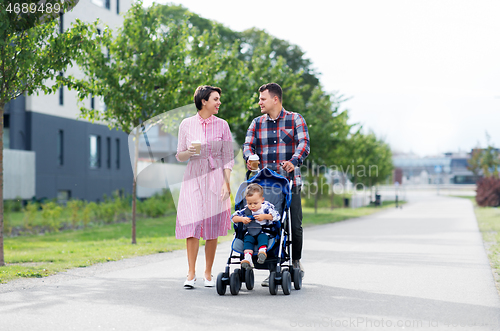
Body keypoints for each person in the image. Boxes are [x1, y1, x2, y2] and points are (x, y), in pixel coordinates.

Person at [243, 82, 310, 286]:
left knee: (295, 227)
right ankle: (270, 265)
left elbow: (304, 143)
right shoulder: (257, 123)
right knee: (268, 224)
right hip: (264, 185)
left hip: (290, 183)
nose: (259, 102)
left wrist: (294, 161)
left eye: (262, 99)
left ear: (275, 99)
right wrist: (249, 156)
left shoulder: (295, 119)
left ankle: (295, 260)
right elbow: (248, 145)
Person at [175, 85, 234, 289]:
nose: (219, 102)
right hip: (193, 177)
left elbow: (228, 158)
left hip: (215, 177)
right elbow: (179, 155)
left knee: (211, 227)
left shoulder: (223, 125)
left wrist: (226, 184)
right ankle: (191, 273)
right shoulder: (187, 124)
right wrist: (189, 152)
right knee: (192, 225)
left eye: (219, 99)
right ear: (203, 101)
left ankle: (207, 273)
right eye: (215, 99)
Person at [231, 183, 280, 269]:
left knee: (263, 237)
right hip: (250, 232)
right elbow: (233, 218)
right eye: (250, 203)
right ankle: (248, 259)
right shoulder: (246, 210)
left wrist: (265, 216)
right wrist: (242, 219)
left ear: (262, 200)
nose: (252, 206)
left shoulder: (266, 208)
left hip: (264, 232)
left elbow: (277, 216)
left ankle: (262, 252)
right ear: (246, 201)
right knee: (247, 241)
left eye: (255, 203)